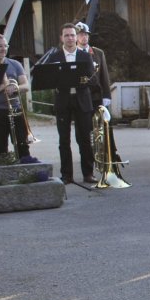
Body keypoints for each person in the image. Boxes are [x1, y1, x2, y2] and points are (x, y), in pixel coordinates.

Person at [41, 23, 97, 182]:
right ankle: (66, 175)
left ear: (76, 37)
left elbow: (93, 80)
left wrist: (82, 80)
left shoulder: (85, 56)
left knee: (85, 138)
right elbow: (48, 80)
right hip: (63, 100)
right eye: (67, 35)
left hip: (82, 100)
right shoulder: (54, 57)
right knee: (64, 140)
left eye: (72, 35)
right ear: (61, 38)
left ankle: (88, 174)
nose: (70, 38)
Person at [0, 33, 33, 161]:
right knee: (1, 146)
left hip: (16, 109)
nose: (3, 49)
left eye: (5, 46)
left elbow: (26, 85)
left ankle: (25, 168)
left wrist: (15, 88)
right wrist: (3, 86)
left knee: (23, 145)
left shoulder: (15, 64)